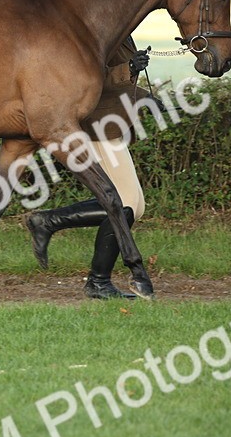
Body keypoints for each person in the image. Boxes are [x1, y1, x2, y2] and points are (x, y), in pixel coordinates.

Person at [25, 37, 150, 299]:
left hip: (110, 124)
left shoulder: (122, 26)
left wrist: (139, 81)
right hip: (95, 125)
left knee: (135, 207)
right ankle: (97, 281)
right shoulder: (99, 21)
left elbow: (117, 80)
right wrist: (128, 68)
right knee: (126, 204)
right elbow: (83, 76)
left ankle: (48, 222)